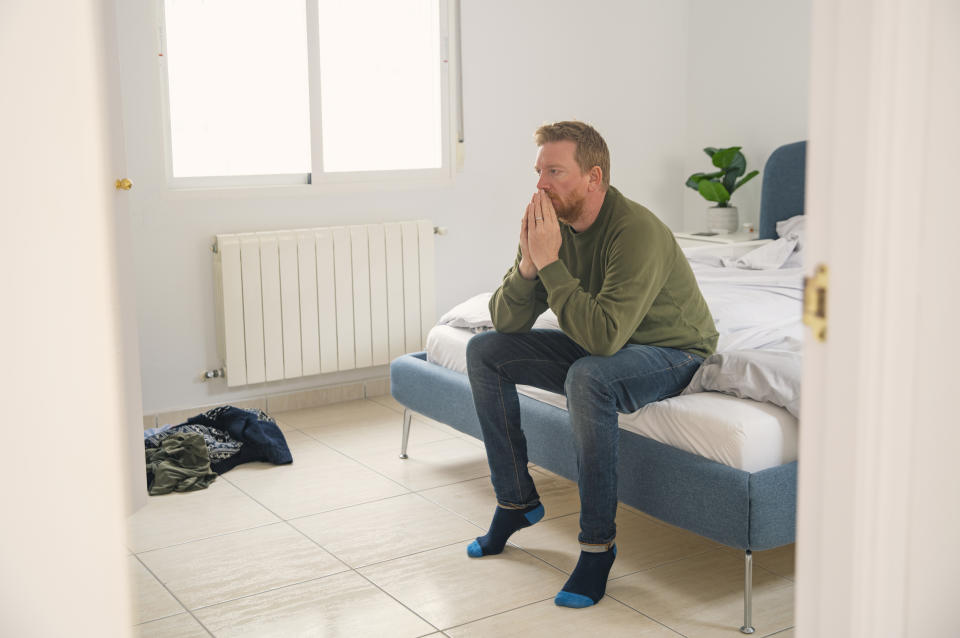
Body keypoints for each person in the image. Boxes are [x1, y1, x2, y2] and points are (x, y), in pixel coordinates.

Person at [465, 121, 718, 608]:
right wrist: (529, 265)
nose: (541, 183)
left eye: (555, 171)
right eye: (539, 171)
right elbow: (505, 321)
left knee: (589, 378)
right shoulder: (549, 225)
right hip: (606, 339)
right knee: (485, 353)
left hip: (671, 350)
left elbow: (602, 341)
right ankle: (516, 501)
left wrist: (553, 265)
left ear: (593, 178)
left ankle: (597, 547)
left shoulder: (636, 230)